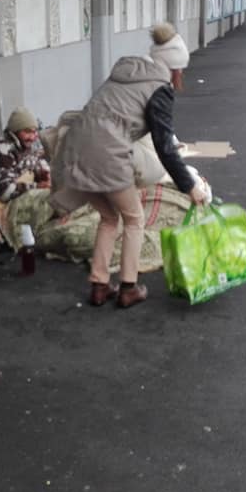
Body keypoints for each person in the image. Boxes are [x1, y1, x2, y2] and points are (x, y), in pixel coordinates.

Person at [50, 23, 210, 309]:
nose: (181, 76)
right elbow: (164, 146)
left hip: (76, 150)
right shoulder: (159, 89)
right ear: (174, 68)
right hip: (107, 155)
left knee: (109, 218)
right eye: (181, 70)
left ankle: (99, 286)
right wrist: (190, 186)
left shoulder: (125, 74)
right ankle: (128, 287)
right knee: (134, 219)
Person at [0, 107, 51, 202]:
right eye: (27, 132)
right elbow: (4, 192)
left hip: (14, 190)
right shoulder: (2, 152)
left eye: (34, 132)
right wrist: (37, 186)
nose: (32, 137)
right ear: (15, 131)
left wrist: (42, 172)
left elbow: (35, 160)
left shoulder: (24, 144)